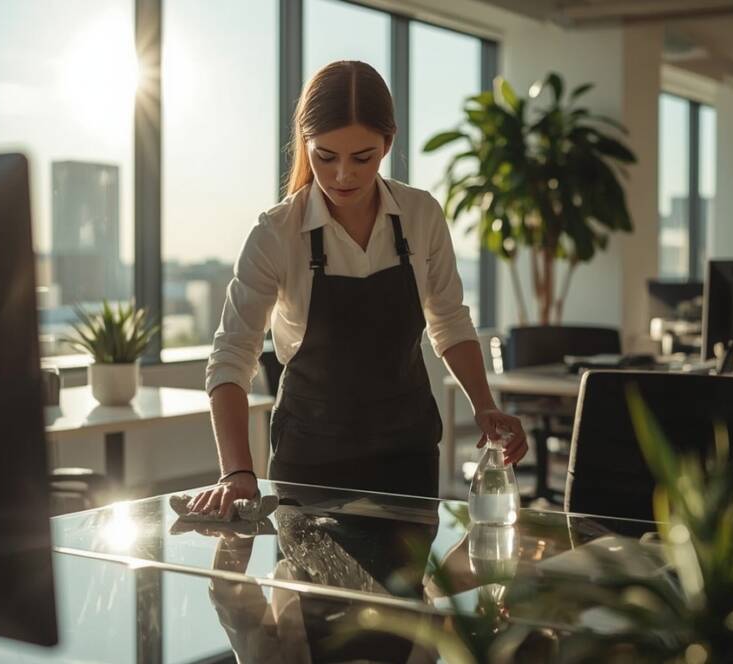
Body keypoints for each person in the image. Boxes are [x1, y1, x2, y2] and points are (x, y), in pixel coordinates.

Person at [190, 60, 527, 517]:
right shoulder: (276, 233)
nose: (343, 175)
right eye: (325, 156)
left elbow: (448, 319)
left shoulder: (421, 215)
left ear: (388, 143)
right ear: (305, 144)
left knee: (405, 591)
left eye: (362, 157)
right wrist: (236, 471)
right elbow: (232, 355)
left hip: (408, 457)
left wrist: (485, 406)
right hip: (309, 462)